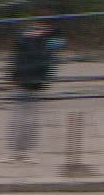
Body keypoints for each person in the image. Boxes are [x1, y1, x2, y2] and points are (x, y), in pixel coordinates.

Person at [4, 19, 62, 162]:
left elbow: (48, 66)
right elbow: (15, 61)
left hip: (34, 86)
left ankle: (27, 151)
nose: (37, 32)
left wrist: (43, 83)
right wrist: (12, 78)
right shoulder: (23, 43)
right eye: (35, 29)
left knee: (31, 120)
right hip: (21, 85)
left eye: (40, 29)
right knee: (18, 119)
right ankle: (13, 151)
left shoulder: (45, 45)